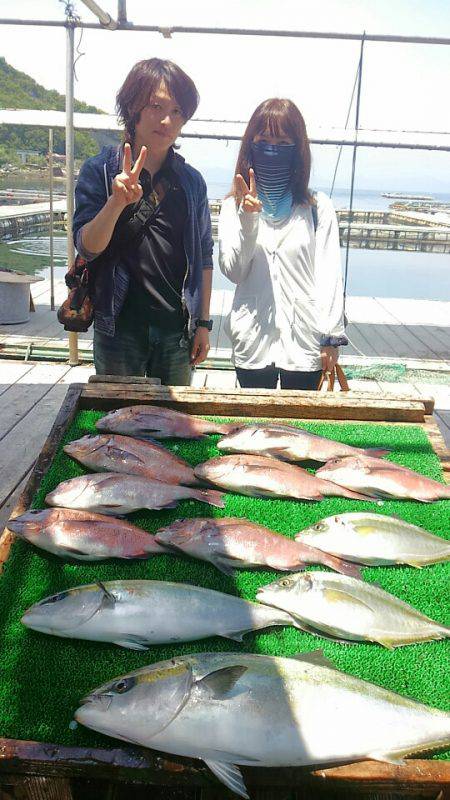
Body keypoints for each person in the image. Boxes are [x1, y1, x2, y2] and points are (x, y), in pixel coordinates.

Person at [73, 58, 214, 384]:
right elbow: (87, 247)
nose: (167, 119)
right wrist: (116, 202)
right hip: (118, 327)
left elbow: (204, 257)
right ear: (132, 107)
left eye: (178, 111)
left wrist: (203, 324)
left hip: (175, 331)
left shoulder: (191, 182)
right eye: (156, 106)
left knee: (173, 423)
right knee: (118, 422)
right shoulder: (101, 170)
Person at [218, 98, 348, 390]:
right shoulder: (231, 206)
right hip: (252, 338)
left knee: (300, 428)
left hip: (305, 343)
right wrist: (248, 220)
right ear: (250, 144)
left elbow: (329, 276)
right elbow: (234, 271)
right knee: (254, 429)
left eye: (283, 140)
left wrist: (330, 337)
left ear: (297, 148)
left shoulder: (317, 207)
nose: (272, 148)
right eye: (264, 139)